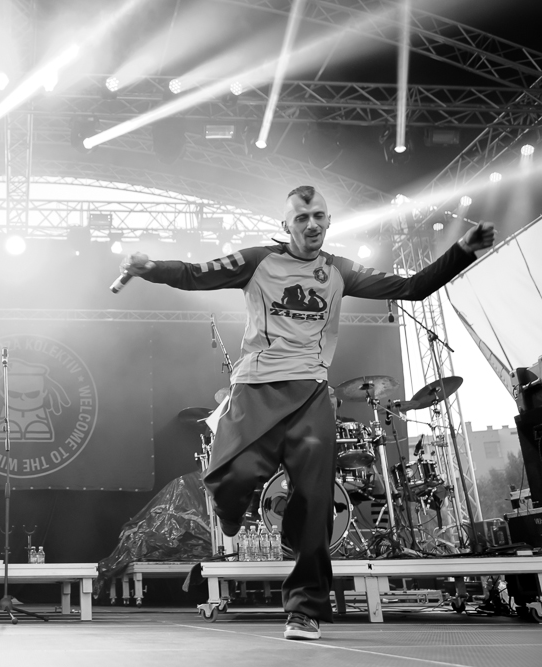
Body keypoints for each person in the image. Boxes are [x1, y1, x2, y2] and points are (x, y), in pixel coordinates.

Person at [120, 185, 494, 640]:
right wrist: (152, 268)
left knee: (317, 503)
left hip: (312, 394)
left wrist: (462, 250)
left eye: (319, 216)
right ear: (285, 226)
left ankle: (304, 611)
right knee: (231, 477)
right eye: (301, 218)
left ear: (329, 221)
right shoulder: (257, 261)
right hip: (255, 388)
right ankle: (229, 506)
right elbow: (195, 274)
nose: (312, 224)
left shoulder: (339, 270)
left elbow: (411, 288)